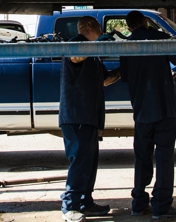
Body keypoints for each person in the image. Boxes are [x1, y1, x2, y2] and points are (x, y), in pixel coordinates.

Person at [119, 11, 176, 220]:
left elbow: (126, 77)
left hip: (141, 110)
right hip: (164, 108)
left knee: (142, 157)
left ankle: (138, 203)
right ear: (146, 22)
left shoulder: (126, 46)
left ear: (129, 27)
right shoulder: (160, 37)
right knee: (164, 158)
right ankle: (161, 206)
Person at [59, 16, 120, 222]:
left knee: (89, 162)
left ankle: (85, 202)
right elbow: (76, 58)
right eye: (100, 30)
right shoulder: (76, 44)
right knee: (80, 160)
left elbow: (105, 80)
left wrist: (125, 68)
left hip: (90, 116)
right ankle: (70, 206)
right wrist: (99, 45)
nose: (101, 33)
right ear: (89, 27)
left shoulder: (94, 55)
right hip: (77, 115)